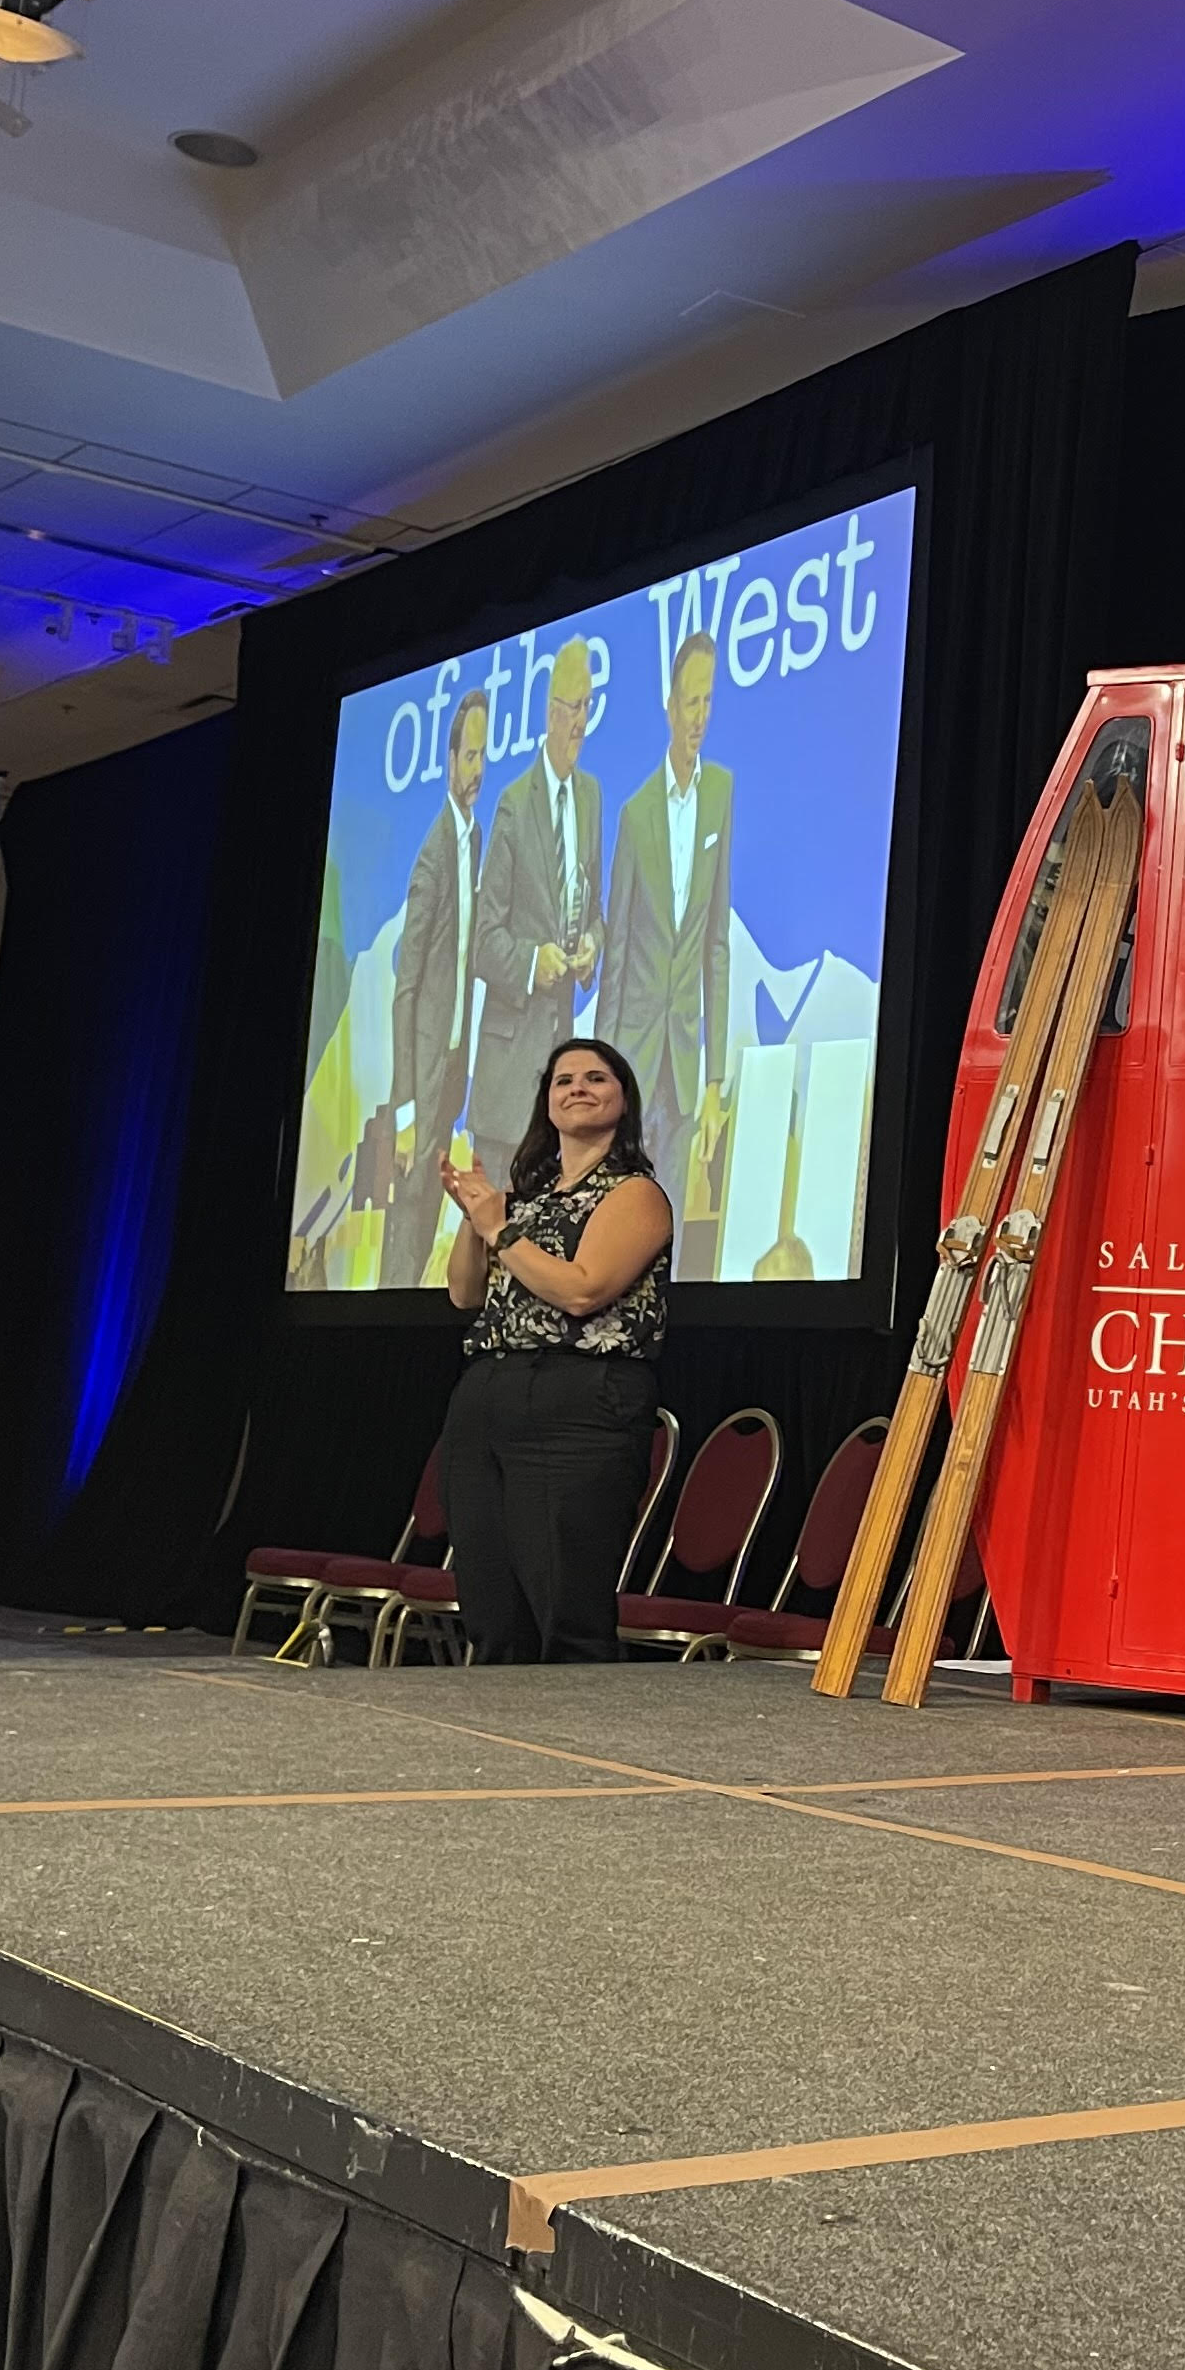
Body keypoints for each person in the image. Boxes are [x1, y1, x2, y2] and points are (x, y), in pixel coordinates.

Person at [440, 1037, 675, 1661]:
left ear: (623, 1101)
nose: (578, 1087)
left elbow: (582, 1291)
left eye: (596, 1077)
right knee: (492, 1606)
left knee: (564, 1604)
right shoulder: (525, 1202)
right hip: (489, 1393)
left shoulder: (634, 1193)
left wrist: (499, 1229)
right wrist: (474, 1220)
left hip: (579, 1402)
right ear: (547, 1104)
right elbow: (465, 1294)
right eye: (563, 1080)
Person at [603, 629, 733, 1275]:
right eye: (691, 702)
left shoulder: (721, 796)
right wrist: (602, 1071)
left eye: (709, 702)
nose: (700, 717)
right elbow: (618, 954)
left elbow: (716, 947)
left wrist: (715, 1078)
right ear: (669, 707)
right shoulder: (635, 814)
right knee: (619, 1222)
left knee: (672, 1229)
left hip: (683, 1063)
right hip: (633, 1053)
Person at [475, 640, 607, 1169]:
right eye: (573, 708)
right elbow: (484, 940)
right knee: (494, 1245)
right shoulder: (512, 805)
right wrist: (534, 963)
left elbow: (593, 905)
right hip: (508, 1082)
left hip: (562, 1079)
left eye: (588, 707)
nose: (580, 723)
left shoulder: (592, 798)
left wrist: (594, 940)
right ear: (551, 710)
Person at [390, 687, 491, 1286]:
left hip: (453, 1070)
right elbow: (406, 986)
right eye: (468, 758)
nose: (476, 771)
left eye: (483, 757)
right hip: (423, 1080)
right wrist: (405, 1106)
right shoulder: (433, 854)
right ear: (449, 761)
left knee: (429, 1208)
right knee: (407, 1219)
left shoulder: (473, 838)